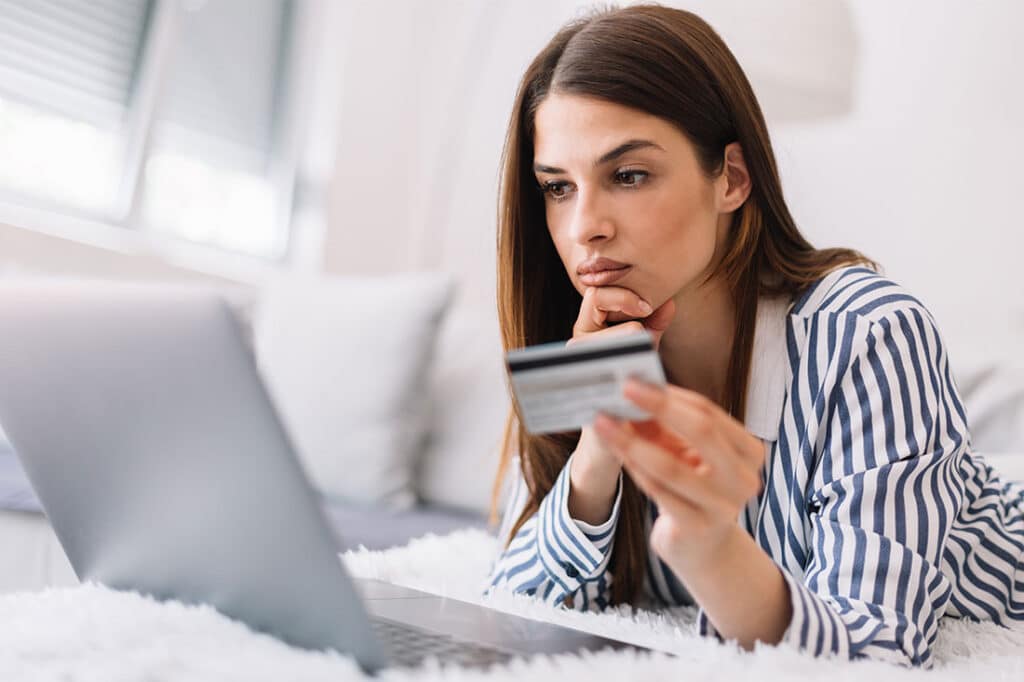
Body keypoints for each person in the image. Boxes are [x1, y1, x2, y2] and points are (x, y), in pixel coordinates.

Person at [484, 4, 1024, 668]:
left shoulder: (868, 331)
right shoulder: (581, 345)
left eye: (628, 175)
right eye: (558, 187)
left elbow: (876, 651)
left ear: (732, 179)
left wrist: (710, 548)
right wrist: (599, 450)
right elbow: (505, 613)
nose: (584, 227)